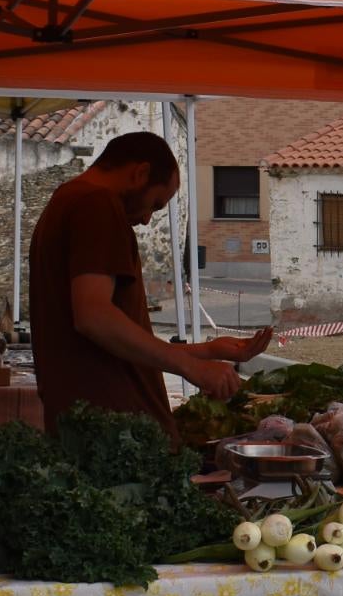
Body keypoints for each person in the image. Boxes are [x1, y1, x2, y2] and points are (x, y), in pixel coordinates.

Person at [28, 131, 268, 435]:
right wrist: (192, 369)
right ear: (140, 173)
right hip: (110, 430)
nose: (145, 221)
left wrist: (206, 351)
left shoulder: (66, 201)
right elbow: (94, 317)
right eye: (155, 204)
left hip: (94, 426)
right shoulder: (96, 204)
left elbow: (118, 343)